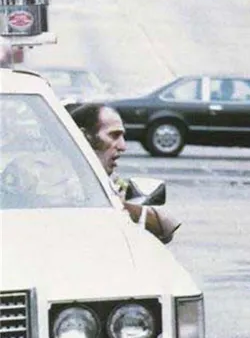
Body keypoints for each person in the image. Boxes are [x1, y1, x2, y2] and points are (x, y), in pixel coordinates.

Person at [70, 103, 180, 243]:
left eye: (122, 136)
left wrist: (124, 204)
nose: (122, 146)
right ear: (85, 137)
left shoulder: (111, 181)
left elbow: (166, 229)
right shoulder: (55, 183)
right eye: (114, 135)